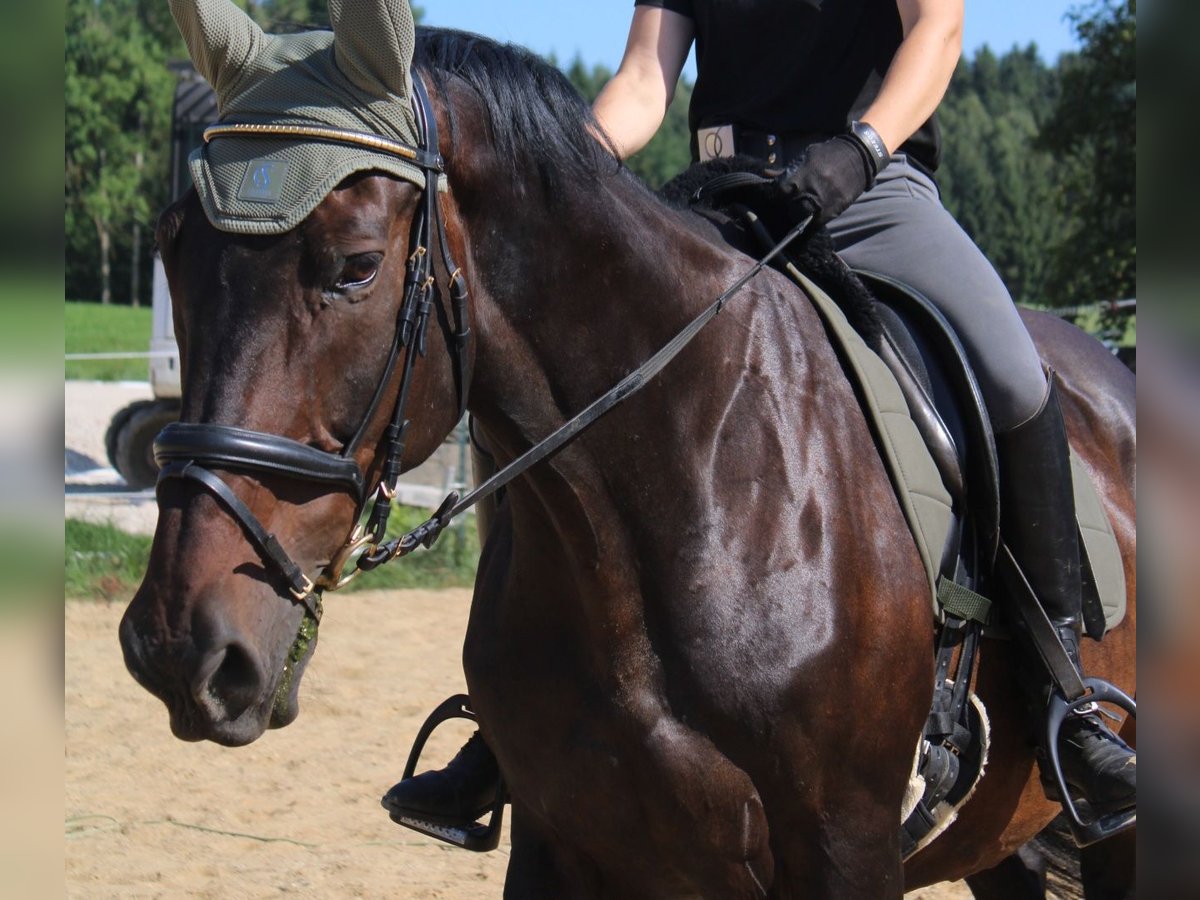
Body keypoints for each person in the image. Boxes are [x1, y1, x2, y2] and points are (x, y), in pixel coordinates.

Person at [383, 0, 1134, 831]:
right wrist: (563, 172)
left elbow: (939, 33)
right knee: (557, 371)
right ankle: (512, 712)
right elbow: (643, 80)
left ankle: (1064, 693)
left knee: (1015, 377)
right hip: (723, 201)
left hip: (870, 194)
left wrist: (862, 148)